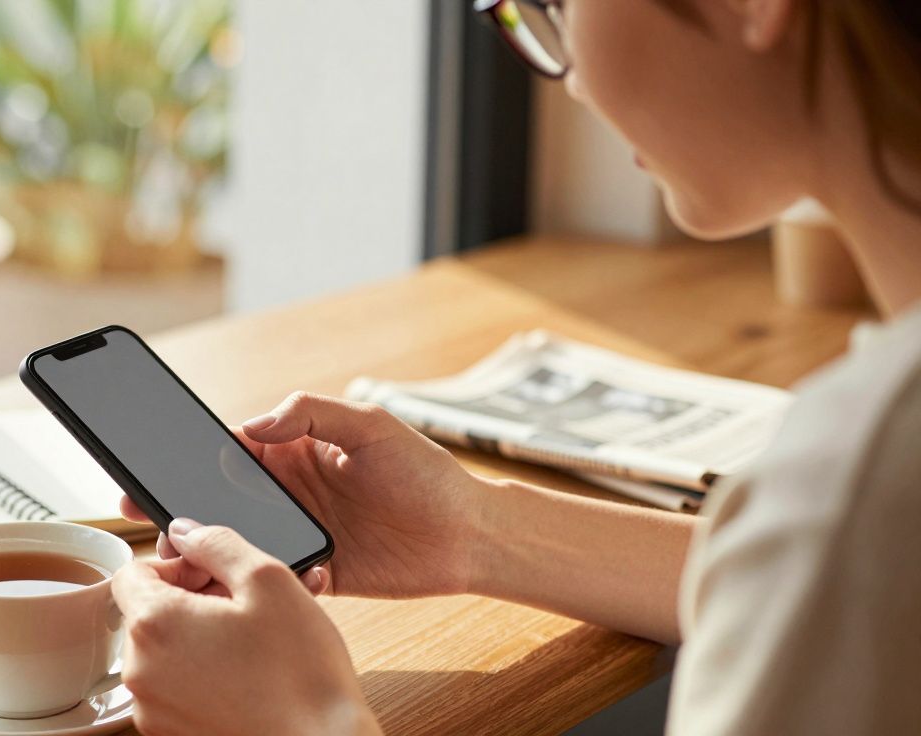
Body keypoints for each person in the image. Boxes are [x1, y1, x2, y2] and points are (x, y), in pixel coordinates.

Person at [109, 1, 921, 733]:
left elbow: (838, 552)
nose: (568, 81)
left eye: (556, 4)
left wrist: (305, 724)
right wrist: (471, 529)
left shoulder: (865, 474)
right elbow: (834, 591)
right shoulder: (858, 491)